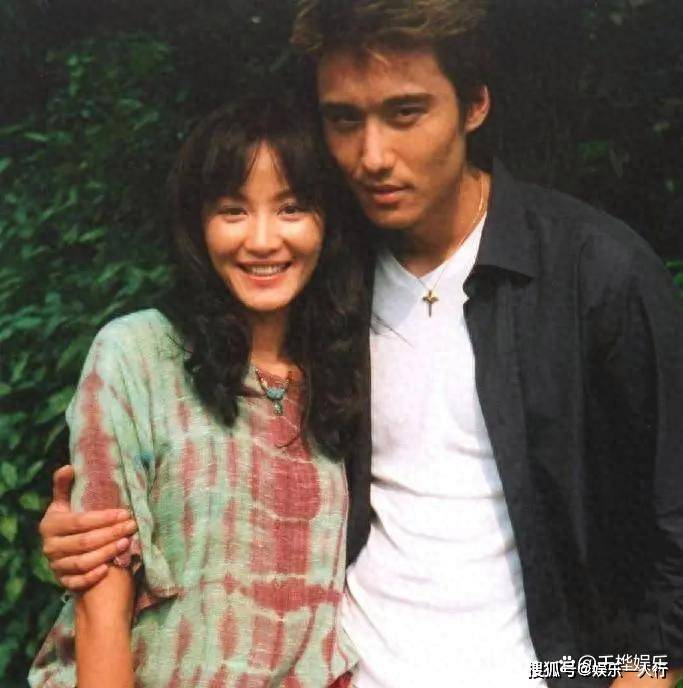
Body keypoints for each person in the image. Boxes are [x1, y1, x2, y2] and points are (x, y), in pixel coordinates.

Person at [37, 1, 683, 687]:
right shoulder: (321, 276)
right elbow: (216, 461)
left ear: (473, 105)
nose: (372, 156)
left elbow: (672, 539)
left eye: (405, 113)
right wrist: (92, 535)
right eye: (344, 120)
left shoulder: (594, 273)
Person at [29, 94, 370, 688]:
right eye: (233, 211)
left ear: (329, 222)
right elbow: (99, 603)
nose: (262, 240)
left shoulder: (347, 375)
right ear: (197, 225)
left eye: (291, 208)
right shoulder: (137, 353)